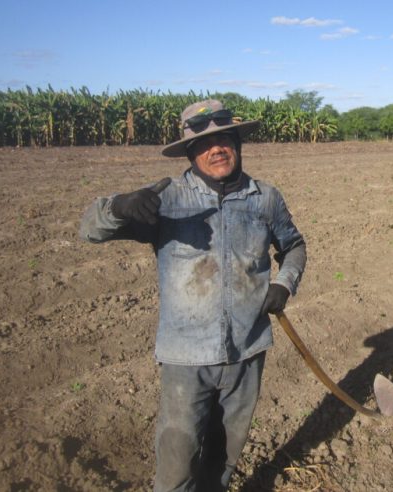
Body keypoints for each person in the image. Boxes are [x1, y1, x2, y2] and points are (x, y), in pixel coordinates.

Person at [79, 99, 306, 491]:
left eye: (224, 139)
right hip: (186, 357)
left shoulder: (264, 198)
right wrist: (120, 206)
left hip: (247, 352)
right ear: (189, 153)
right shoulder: (166, 200)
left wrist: (284, 283)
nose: (216, 149)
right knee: (177, 460)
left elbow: (294, 245)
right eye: (203, 143)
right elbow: (90, 229)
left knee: (225, 456)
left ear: (237, 143)